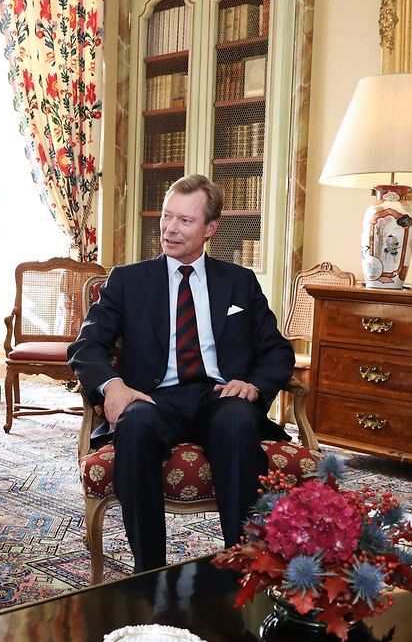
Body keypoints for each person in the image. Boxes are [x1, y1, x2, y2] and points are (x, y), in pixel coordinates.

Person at [67, 174, 295, 573]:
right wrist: (113, 386)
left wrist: (255, 386)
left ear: (210, 228)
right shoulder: (128, 280)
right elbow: (86, 346)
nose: (170, 229)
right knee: (134, 425)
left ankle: (244, 566)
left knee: (239, 420)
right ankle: (149, 571)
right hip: (153, 398)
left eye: (185, 221)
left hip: (218, 395)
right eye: (167, 217)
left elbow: (276, 349)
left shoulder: (239, 282)